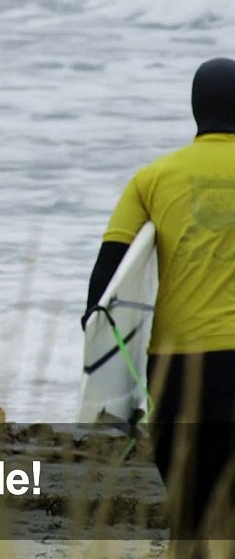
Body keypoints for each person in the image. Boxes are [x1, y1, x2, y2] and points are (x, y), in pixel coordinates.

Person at [85, 57, 235, 545]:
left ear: (196, 110)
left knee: (189, 513)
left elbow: (104, 288)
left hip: (175, 370)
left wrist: (106, 381)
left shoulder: (151, 179)